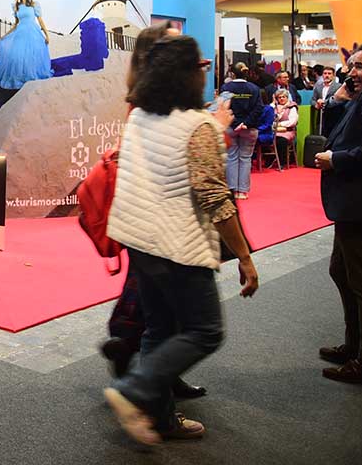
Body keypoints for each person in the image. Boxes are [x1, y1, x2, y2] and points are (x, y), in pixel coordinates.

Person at [104, 35, 259, 446]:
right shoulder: (198, 126)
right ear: (189, 74)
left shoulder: (140, 116)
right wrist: (244, 256)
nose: (205, 71)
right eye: (201, 66)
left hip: (138, 239)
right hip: (178, 245)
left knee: (159, 329)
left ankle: (159, 418)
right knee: (205, 331)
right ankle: (133, 390)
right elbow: (215, 198)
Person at [100, 22, 216, 399]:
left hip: (144, 222)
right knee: (167, 313)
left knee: (158, 309)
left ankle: (151, 377)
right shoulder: (148, 106)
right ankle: (135, 363)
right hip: (159, 224)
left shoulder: (148, 101)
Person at [314, 43, 362, 386]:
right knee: (342, 271)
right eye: (351, 66)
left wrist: (337, 160)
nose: (351, 72)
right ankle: (356, 346)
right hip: (353, 204)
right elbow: (338, 132)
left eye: (360, 67)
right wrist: (341, 98)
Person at [0, 0, 52, 91]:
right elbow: (16, 24)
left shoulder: (34, 4)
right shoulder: (16, 6)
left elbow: (40, 20)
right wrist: (5, 35)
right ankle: (18, 84)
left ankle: (31, 83)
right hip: (20, 34)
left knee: (31, 57)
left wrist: (46, 34)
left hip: (32, 33)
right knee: (17, 57)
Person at [221, 62, 263, 200]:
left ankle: (233, 190)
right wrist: (245, 123)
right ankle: (243, 191)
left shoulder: (226, 87)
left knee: (231, 157)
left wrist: (235, 123)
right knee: (245, 158)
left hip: (231, 127)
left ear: (232, 73)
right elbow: (258, 108)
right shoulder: (254, 88)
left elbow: (224, 107)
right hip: (249, 128)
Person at [271, 88, 299, 166]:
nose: (282, 99)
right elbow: (269, 119)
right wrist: (273, 104)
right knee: (266, 139)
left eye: (283, 97)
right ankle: (269, 160)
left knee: (281, 141)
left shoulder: (292, 107)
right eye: (279, 97)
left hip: (287, 131)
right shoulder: (275, 107)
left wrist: (280, 124)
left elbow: (292, 122)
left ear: (287, 97)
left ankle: (282, 163)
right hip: (275, 131)